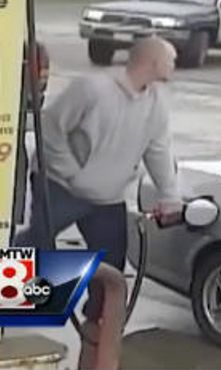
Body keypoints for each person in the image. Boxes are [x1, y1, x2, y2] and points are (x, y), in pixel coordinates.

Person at [15, 36, 184, 273]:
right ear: (152, 62)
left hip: (107, 197)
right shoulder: (92, 88)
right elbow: (50, 128)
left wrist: (169, 198)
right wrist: (71, 172)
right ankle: (11, 299)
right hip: (61, 186)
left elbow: (159, 151)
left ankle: (102, 311)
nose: (175, 65)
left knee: (111, 264)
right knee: (38, 245)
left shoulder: (156, 102)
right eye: (171, 60)